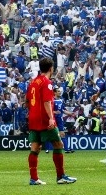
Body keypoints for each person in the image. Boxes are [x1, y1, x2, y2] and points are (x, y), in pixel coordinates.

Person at [26, 57, 76, 185]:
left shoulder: (32, 82)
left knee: (35, 147)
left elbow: (27, 102)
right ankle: (61, 176)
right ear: (51, 68)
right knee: (58, 145)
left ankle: (34, 178)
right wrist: (51, 118)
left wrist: (33, 113)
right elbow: (47, 102)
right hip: (44, 119)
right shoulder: (46, 82)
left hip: (33, 118)